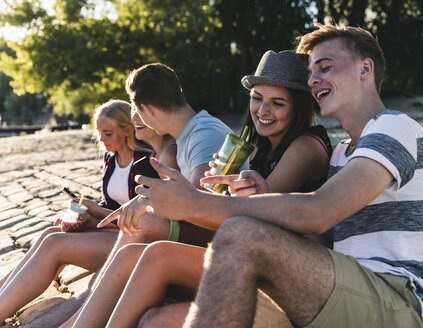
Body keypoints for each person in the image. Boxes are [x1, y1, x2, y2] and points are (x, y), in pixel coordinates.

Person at [133, 24, 423, 328]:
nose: (313, 80)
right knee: (158, 321)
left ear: (365, 70)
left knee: (239, 234)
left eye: (324, 67)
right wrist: (262, 200)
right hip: (337, 287)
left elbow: (318, 212)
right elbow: (322, 239)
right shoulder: (341, 154)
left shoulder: (394, 127)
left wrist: (196, 204)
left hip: (399, 300)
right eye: (310, 73)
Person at [73, 50, 332, 328]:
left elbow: (251, 211)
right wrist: (209, 187)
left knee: (153, 250)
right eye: (257, 99)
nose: (263, 111)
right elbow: (220, 203)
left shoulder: (305, 147)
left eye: (277, 103)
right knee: (135, 257)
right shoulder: (257, 146)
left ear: (298, 107)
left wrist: (187, 198)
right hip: (248, 252)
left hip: (288, 268)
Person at [65, 62, 234, 327]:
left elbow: (203, 204)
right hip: (210, 235)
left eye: (136, 110)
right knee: (130, 246)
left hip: (221, 242)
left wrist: (147, 203)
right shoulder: (189, 133)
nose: (136, 118)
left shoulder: (204, 134)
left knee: (143, 223)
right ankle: (81, 317)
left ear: (148, 110)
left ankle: (80, 318)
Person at [0, 99, 166, 323]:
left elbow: (147, 221)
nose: (101, 139)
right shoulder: (111, 159)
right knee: (50, 232)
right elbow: (110, 204)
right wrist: (85, 215)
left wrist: (95, 211)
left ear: (128, 130)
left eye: (108, 133)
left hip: (133, 241)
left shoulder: (145, 163)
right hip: (111, 233)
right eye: (99, 133)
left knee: (54, 243)